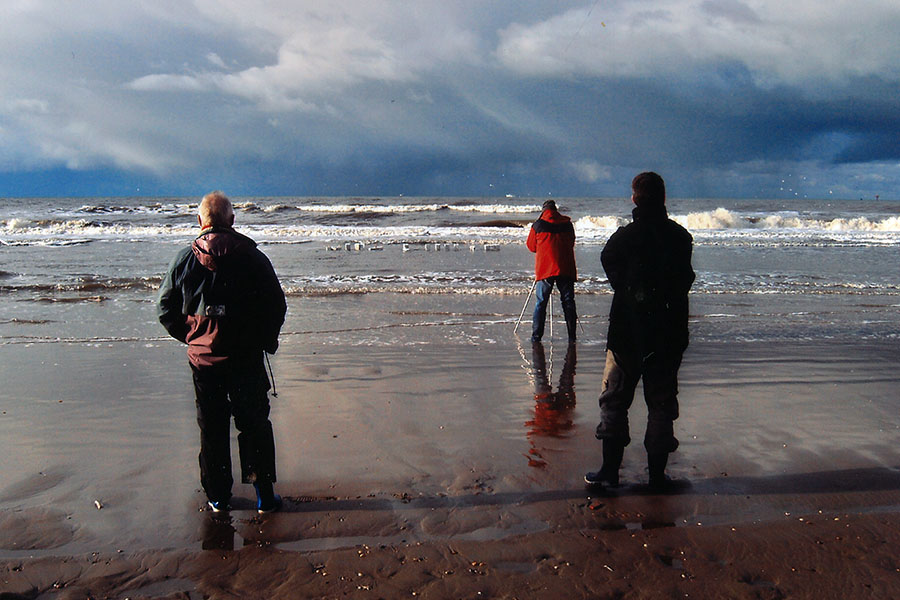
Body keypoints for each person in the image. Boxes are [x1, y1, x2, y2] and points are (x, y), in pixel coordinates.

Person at [158, 191, 287, 513]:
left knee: (212, 427)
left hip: (204, 361)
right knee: (254, 423)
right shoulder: (252, 256)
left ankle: (217, 497)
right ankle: (264, 497)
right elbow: (276, 305)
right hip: (245, 357)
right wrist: (265, 340)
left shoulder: (184, 258)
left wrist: (193, 337)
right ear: (231, 220)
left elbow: (165, 309)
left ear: (201, 221)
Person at [585, 172, 695, 490]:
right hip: (667, 334)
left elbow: (607, 259)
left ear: (634, 198)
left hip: (626, 333)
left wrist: (629, 290)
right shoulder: (680, 237)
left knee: (615, 401)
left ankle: (609, 472)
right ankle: (657, 477)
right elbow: (685, 281)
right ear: (663, 198)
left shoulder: (625, 237)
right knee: (660, 403)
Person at [526, 200, 577, 342]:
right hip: (566, 267)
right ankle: (572, 336)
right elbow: (572, 242)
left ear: (544, 210)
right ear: (556, 210)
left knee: (541, 302)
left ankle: (536, 336)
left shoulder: (538, 225)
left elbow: (531, 247)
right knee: (568, 301)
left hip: (545, 269)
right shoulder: (567, 224)